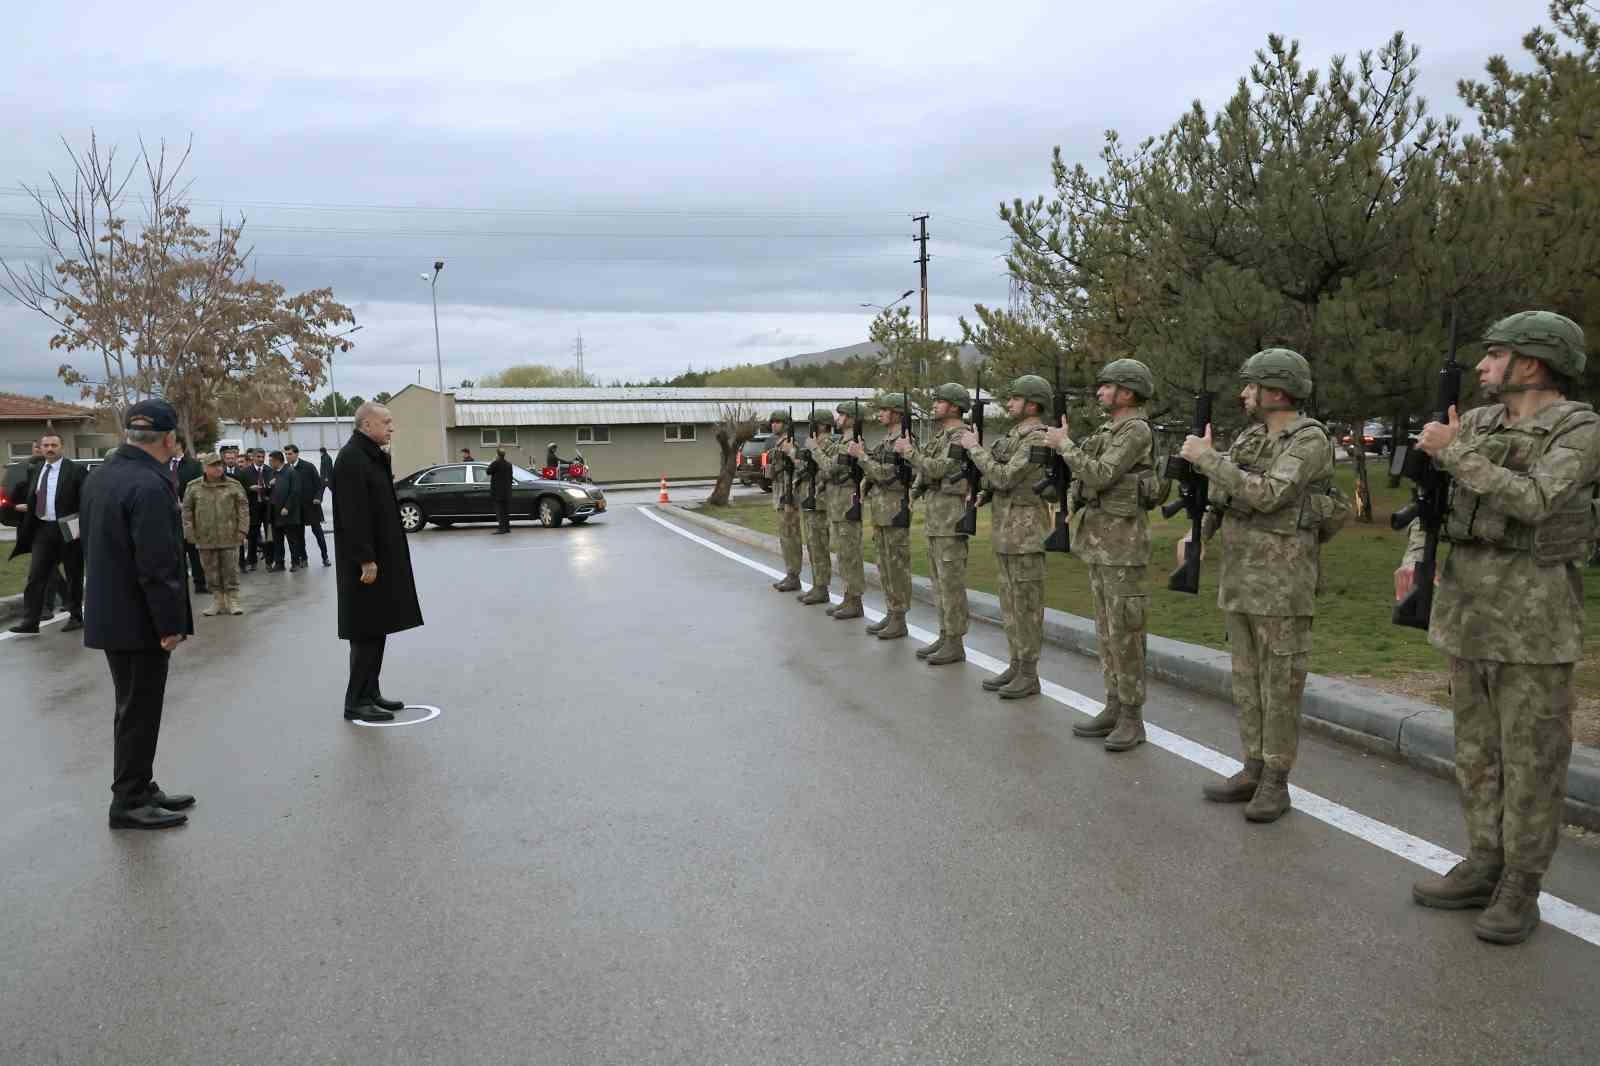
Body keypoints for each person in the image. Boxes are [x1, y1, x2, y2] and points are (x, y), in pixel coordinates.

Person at [1400, 312, 1600, 945]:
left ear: (1532, 364)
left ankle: (1522, 883)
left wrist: (1451, 451)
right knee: (1477, 751)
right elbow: (1434, 503)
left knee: (1533, 758)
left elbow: (1537, 500)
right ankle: (1485, 859)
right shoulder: (1480, 423)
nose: (1482, 368)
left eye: (1495, 356)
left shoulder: (1579, 427)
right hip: (1469, 608)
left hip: (1535, 616)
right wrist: (1413, 560)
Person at [1178, 348, 1335, 823]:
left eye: (1252, 385)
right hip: (1241, 576)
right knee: (1247, 682)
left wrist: (1208, 459)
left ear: (1277, 391)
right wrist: (1197, 534)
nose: (1244, 393)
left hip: (1283, 582)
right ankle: (1252, 765)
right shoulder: (1251, 436)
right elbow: (1225, 498)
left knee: (1280, 684)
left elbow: (1268, 496)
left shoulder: (1309, 440)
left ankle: (1276, 780)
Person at [80, 398, 194, 830]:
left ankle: (140, 785)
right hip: (139, 618)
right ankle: (128, 799)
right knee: (139, 709)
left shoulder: (102, 475)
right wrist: (169, 625)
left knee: (133, 707)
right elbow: (157, 563)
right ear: (169, 439)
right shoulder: (149, 484)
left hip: (112, 611)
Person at [1046, 359, 1159, 750]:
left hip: (1124, 547)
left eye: (1106, 386)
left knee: (1126, 634)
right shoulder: (1111, 429)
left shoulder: (1136, 430)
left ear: (1126, 392)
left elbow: (1100, 473)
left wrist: (1065, 446)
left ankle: (1133, 717)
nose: (1099, 392)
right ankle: (1114, 704)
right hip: (1100, 542)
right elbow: (1085, 479)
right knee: (1107, 632)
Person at [960, 375, 1054, 698]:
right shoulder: (1014, 435)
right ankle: (1016, 663)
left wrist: (974, 449)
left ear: (1032, 404)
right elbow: (993, 479)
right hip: (1006, 530)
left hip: (1026, 533)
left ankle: (1029, 672)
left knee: (1026, 606)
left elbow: (1003, 476)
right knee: (1010, 605)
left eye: (1015, 398)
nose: (1009, 403)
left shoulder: (1037, 439)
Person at [333, 402, 424, 722]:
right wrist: (366, 559)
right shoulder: (351, 459)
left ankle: (371, 692)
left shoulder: (370, 455)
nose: (391, 427)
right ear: (366, 424)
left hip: (380, 557)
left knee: (377, 627)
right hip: (364, 563)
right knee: (365, 631)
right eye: (385, 421)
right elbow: (354, 515)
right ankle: (355, 700)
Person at [897, 382, 971, 664]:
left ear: (954, 406)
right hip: (936, 518)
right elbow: (927, 472)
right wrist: (915, 489)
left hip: (951, 519)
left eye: (940, 401)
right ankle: (945, 634)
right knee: (939, 583)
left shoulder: (959, 437)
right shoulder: (942, 436)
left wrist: (909, 452)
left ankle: (955, 642)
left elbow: (938, 468)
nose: (935, 405)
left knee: (951, 583)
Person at [7, 430, 86, 635]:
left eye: (54, 445)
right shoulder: (37, 469)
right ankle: (30, 621)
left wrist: (81, 526)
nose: (50, 449)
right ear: (40, 448)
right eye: (46, 445)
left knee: (73, 574)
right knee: (36, 576)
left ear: (62, 447)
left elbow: (85, 502)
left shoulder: (75, 470)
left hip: (68, 529)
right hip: (43, 529)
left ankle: (76, 616)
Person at [851, 394, 914, 640]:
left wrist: (862, 457)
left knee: (897, 566)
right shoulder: (887, 440)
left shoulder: (904, 441)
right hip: (881, 511)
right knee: (885, 565)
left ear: (897, 413)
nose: (879, 414)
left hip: (894, 510)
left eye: (885, 410)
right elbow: (874, 471)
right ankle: (891, 611)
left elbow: (887, 476)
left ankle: (900, 618)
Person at [182, 453, 250, 616]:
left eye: (220, 464)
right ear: (205, 468)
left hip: (230, 536)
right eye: (214, 465)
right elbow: (187, 510)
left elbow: (243, 509)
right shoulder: (193, 486)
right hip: (205, 537)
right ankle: (218, 600)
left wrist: (242, 530)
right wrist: (189, 531)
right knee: (210, 571)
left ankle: (233, 600)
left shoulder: (233, 485)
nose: (218, 468)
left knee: (231, 570)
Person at [826, 400, 868, 620]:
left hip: (848, 503)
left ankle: (855, 601)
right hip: (837, 504)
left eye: (842, 415)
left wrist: (814, 450)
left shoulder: (853, 442)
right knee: (842, 554)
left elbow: (829, 468)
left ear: (852, 418)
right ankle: (847, 597)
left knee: (850, 554)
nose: (838, 418)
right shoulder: (842, 441)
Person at [795, 409, 835, 606]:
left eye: (813, 423)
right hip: (809, 498)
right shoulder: (814, 442)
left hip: (821, 501)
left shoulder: (828, 442)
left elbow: (829, 469)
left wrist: (813, 449)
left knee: (819, 545)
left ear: (821, 424)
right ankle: (817, 584)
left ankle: (822, 587)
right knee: (812, 545)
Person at [767, 410, 804, 593]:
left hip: (788, 496)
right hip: (779, 494)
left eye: (778, 422)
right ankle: (790, 573)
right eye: (772, 421)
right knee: (785, 538)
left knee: (791, 538)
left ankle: (794, 575)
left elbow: (801, 467)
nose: (774, 424)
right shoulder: (777, 444)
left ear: (786, 424)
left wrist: (792, 454)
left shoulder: (790, 444)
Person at [168, 446, 208, 593]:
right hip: (170, 516)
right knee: (177, 554)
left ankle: (200, 584)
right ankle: (180, 585)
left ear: (179, 445)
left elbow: (200, 489)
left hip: (191, 515)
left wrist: (186, 505)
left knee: (194, 551)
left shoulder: (193, 465)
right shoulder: (163, 464)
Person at [285, 445, 330, 566]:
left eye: (290, 454)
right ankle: (303, 558)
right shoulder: (286, 469)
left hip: (311, 506)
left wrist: (318, 497)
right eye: (286, 454)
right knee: (299, 536)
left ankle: (325, 557)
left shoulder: (308, 466)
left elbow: (319, 484)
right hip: (296, 508)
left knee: (318, 533)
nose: (287, 456)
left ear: (296, 454)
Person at [268, 450, 306, 571]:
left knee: (292, 539)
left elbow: (295, 492)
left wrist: (287, 507)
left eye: (271, 461)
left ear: (277, 461)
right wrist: (269, 485)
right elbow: (270, 492)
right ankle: (279, 562)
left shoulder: (291, 472)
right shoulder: (273, 473)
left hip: (287, 513)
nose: (269, 463)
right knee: (277, 539)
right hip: (275, 512)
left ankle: (295, 562)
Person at [240, 448, 271, 572]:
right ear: (252, 457)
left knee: (270, 535)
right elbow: (241, 490)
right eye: (258, 456)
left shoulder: (269, 470)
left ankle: (270, 560)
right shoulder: (246, 472)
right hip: (253, 507)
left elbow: (274, 487)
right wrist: (250, 489)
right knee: (252, 535)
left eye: (262, 456)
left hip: (267, 506)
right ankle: (252, 561)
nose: (261, 459)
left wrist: (268, 488)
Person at [487, 448, 514, 533]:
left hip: (497, 492)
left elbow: (488, 471)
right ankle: (507, 528)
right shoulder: (509, 464)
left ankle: (501, 528)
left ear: (498, 455)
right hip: (507, 492)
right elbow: (510, 478)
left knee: (499, 511)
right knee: (506, 511)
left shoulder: (495, 463)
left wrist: (493, 461)